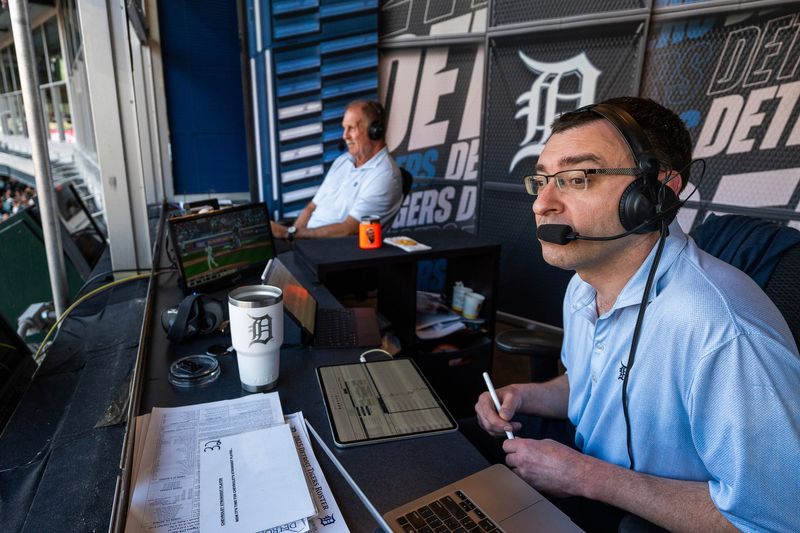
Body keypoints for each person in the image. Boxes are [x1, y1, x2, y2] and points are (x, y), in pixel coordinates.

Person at [474, 97, 800, 532]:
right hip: (591, 478)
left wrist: (586, 478)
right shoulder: (582, 285)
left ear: (654, 194)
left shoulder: (721, 332)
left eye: (576, 178)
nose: (542, 204)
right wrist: (525, 396)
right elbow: (593, 383)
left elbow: (774, 521)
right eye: (542, 180)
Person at [271, 100, 402, 241]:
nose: (344, 136)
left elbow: (348, 229)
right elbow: (311, 207)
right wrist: (291, 240)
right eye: (344, 128)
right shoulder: (344, 161)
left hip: (334, 253)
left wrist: (288, 233)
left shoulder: (385, 175)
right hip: (304, 243)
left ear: (374, 132)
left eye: (351, 128)